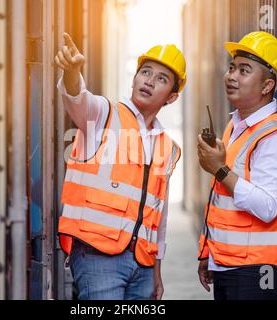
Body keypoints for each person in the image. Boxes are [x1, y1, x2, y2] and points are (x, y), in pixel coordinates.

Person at [55, 33, 186, 300]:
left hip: (143, 265)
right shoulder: (104, 114)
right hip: (97, 256)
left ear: (171, 97)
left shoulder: (167, 146)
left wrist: (156, 270)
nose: (149, 80)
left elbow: (158, 216)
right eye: (145, 72)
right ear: (135, 77)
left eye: (161, 78)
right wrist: (72, 72)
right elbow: (77, 97)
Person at [196, 31, 277, 300]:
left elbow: (267, 207)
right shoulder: (237, 126)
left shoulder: (276, 137)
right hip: (232, 265)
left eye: (244, 70)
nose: (232, 76)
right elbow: (221, 202)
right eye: (231, 68)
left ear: (267, 86)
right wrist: (209, 254)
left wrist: (219, 169)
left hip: (261, 272)